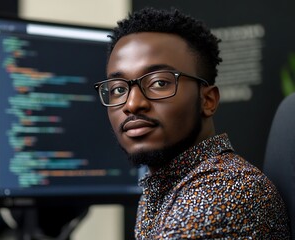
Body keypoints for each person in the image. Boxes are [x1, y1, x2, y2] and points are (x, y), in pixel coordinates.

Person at [93, 7, 290, 239]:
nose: (133, 104)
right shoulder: (164, 187)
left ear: (207, 100)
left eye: (159, 83)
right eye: (118, 89)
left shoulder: (221, 194)